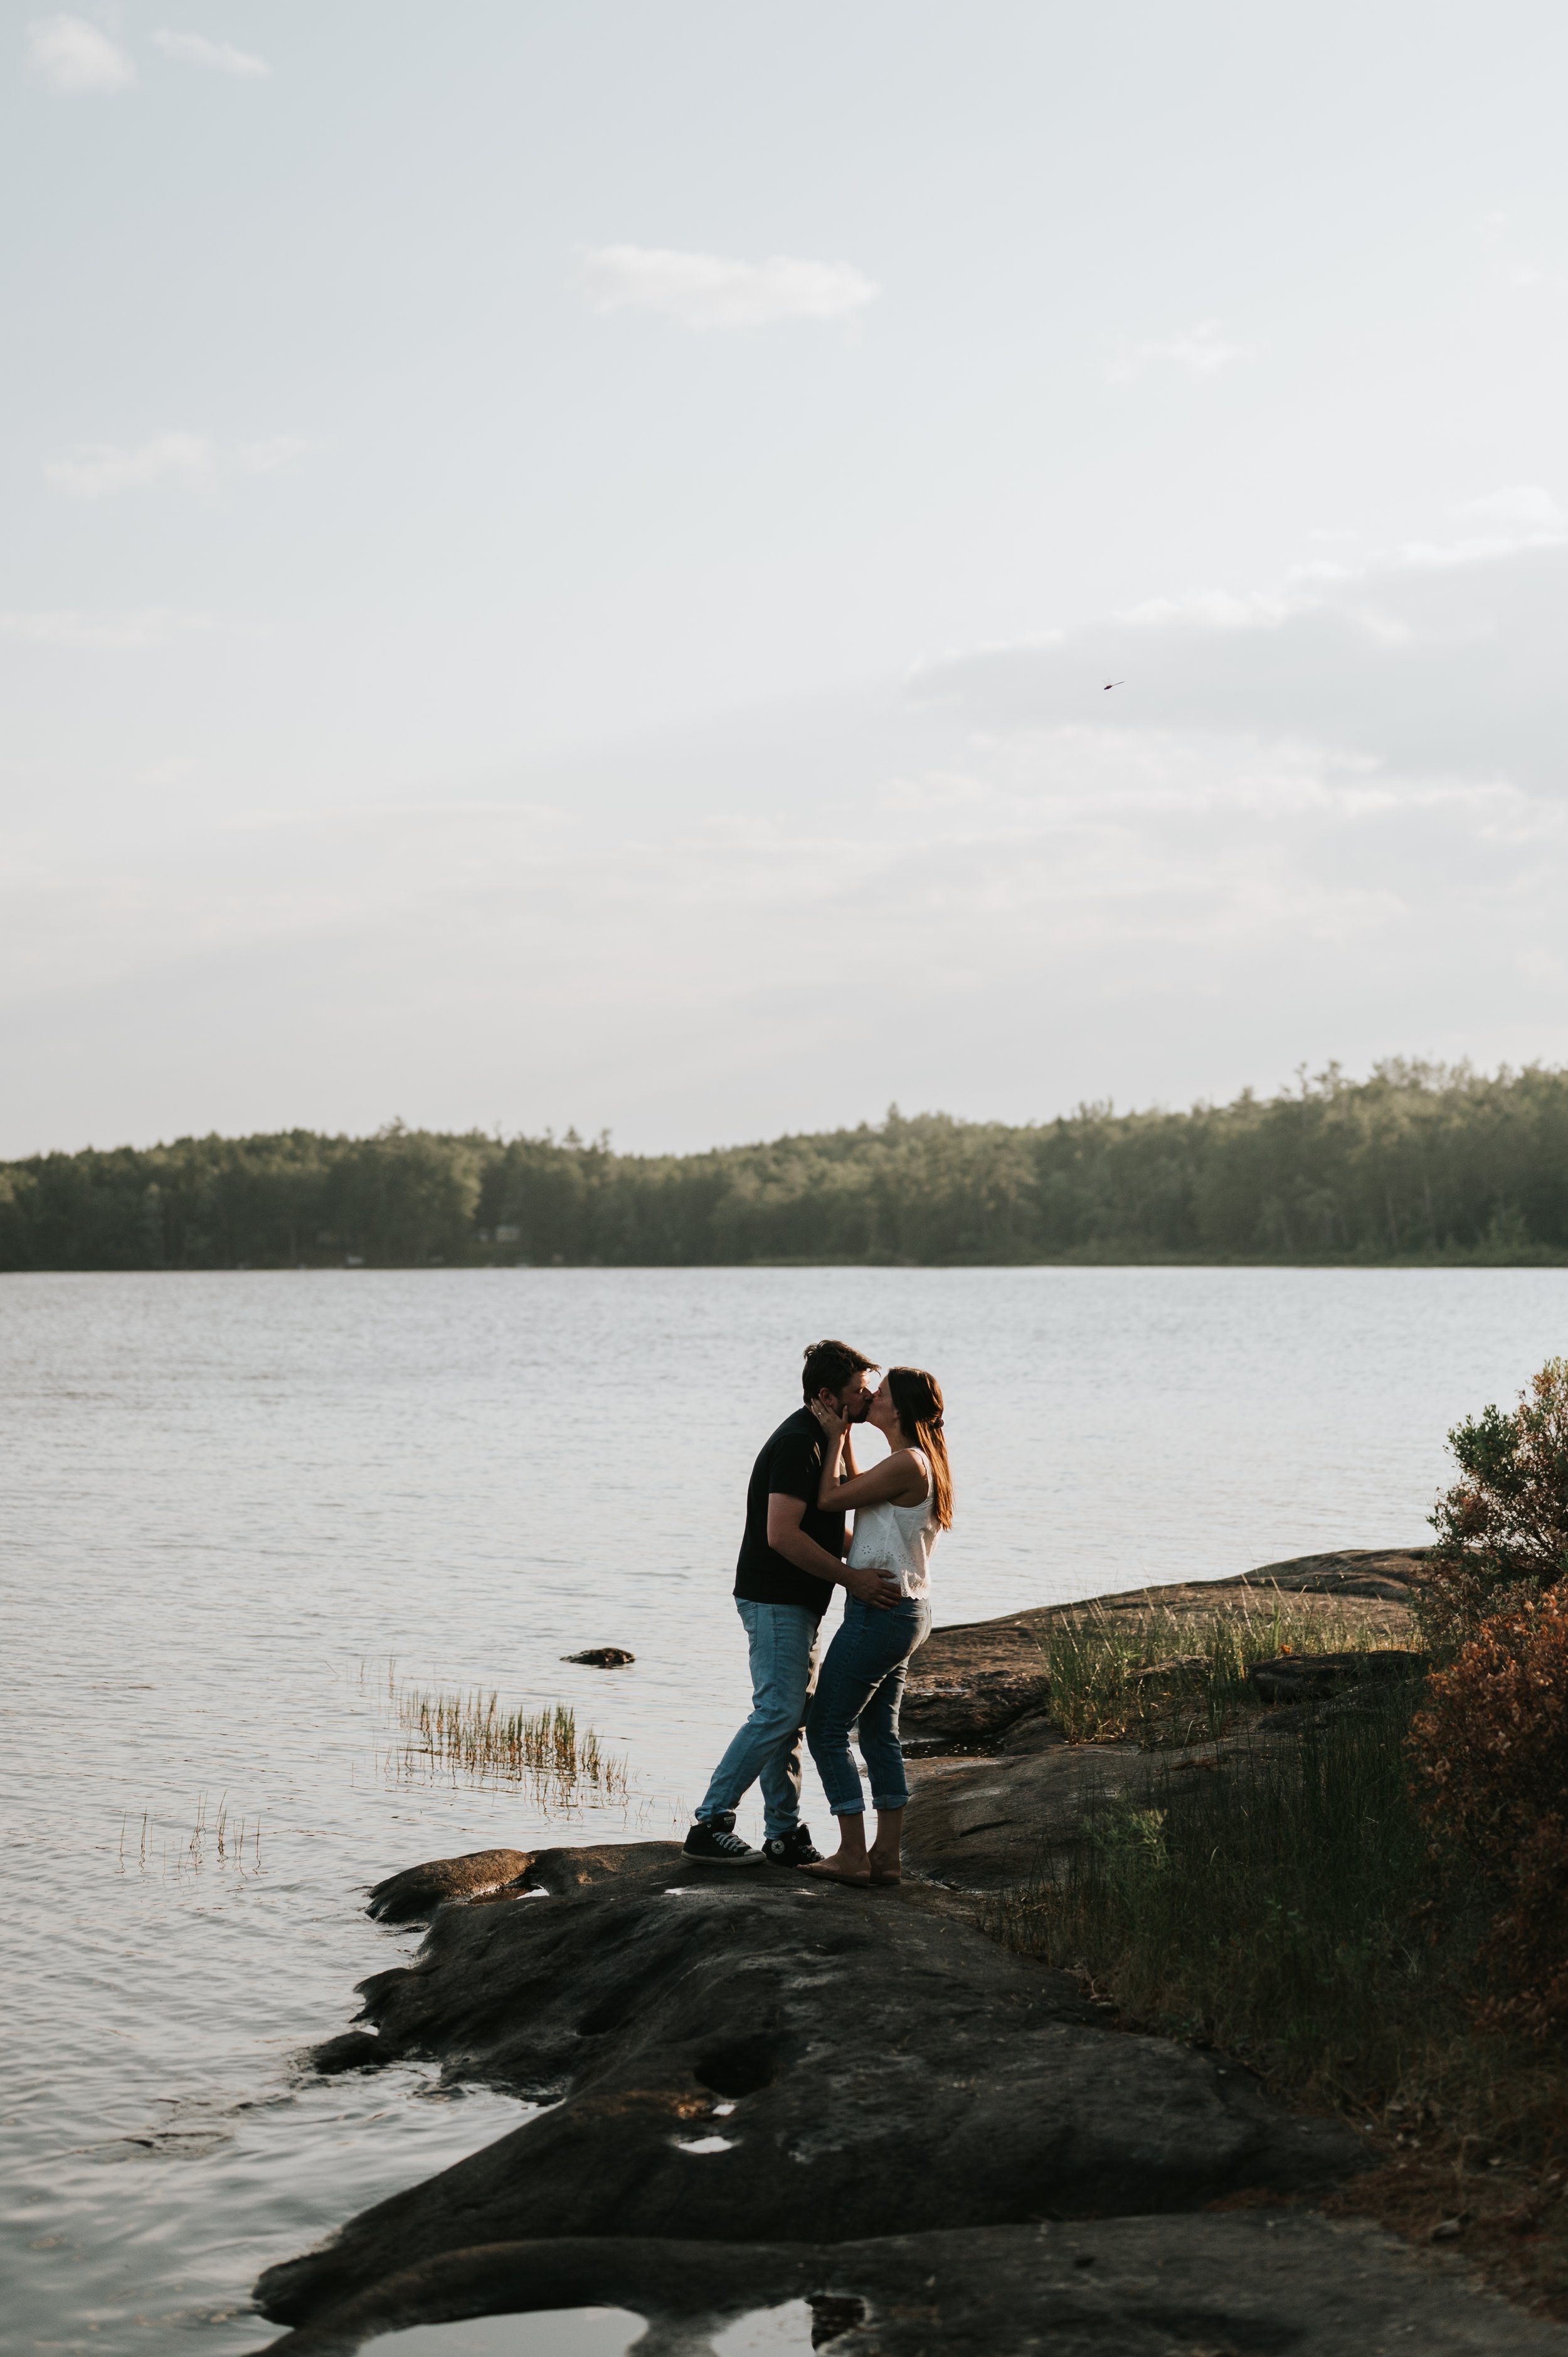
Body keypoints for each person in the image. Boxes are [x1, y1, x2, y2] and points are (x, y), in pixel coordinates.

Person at [682, 1339, 901, 1868]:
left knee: (791, 1716)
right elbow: (781, 1534)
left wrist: (873, 1561)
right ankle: (710, 1822)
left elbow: (827, 1523)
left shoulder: (825, 1438)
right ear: (827, 1395)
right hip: (774, 1598)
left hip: (799, 1600)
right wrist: (853, 1579)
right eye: (859, 1389)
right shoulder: (798, 1442)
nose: (868, 1396)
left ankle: (783, 1834)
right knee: (778, 1711)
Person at [803, 1365, 953, 1886]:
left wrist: (833, 1435)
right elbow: (857, 1492)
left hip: (883, 1611)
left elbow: (831, 1498)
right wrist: (846, 1438)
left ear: (900, 1409)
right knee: (878, 1734)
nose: (871, 1396)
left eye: (881, 1392)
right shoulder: (914, 1460)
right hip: (906, 1609)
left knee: (825, 1730)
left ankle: (852, 1853)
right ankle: (886, 1858)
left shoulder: (907, 1462)